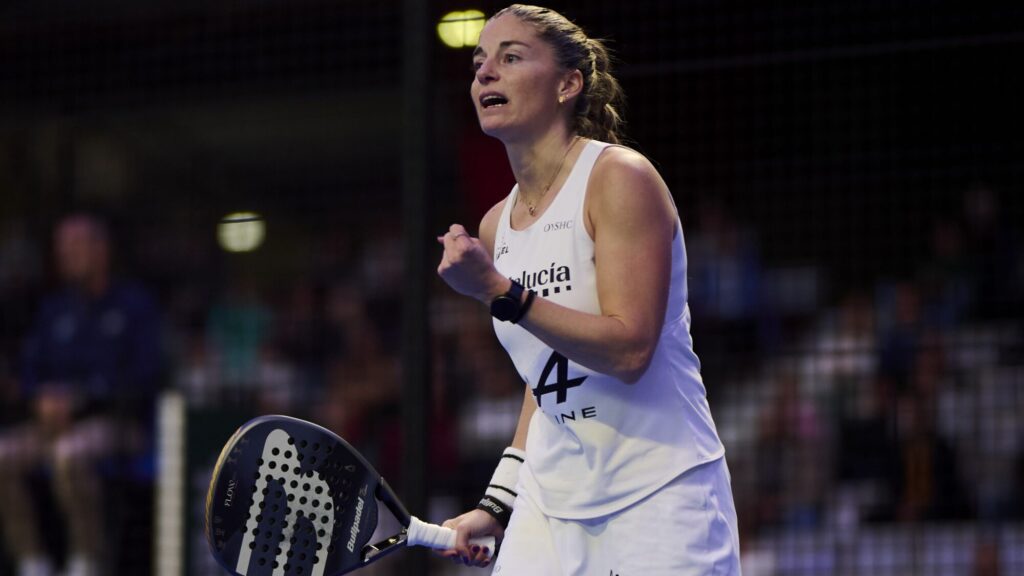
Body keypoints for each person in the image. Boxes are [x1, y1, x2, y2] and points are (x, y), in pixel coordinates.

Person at [436, 5, 741, 574]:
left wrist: (502, 292)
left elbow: (629, 351)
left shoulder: (619, 178)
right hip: (550, 506)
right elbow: (543, 377)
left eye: (511, 57)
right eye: (479, 62)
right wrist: (497, 504)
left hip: (660, 491)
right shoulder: (495, 226)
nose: (484, 74)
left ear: (568, 84)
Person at [0, 213, 162, 576]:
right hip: (53, 426)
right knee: (3, 455)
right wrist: (38, 397)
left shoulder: (134, 306)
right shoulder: (55, 309)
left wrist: (81, 398)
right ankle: (33, 562)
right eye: (62, 249)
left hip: (118, 425)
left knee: (68, 455)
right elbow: (30, 370)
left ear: (101, 250)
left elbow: (145, 375)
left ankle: (86, 562)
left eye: (76, 246)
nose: (67, 256)